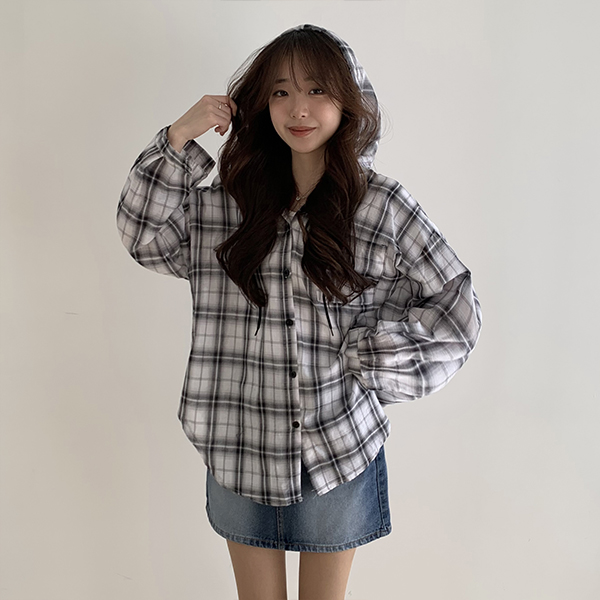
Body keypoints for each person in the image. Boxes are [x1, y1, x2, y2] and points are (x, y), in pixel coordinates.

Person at [117, 23, 482, 600]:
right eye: (281, 92)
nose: (298, 109)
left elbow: (457, 307)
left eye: (316, 89)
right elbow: (144, 237)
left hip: (337, 448)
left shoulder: (380, 205)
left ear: (347, 100)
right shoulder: (228, 205)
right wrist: (180, 137)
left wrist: (370, 355)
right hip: (236, 444)